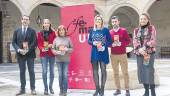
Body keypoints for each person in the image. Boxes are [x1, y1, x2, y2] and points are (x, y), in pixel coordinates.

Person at [12, 15, 37, 95]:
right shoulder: (17, 31)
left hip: (30, 54)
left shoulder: (32, 31)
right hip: (20, 54)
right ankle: (22, 89)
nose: (25, 21)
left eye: (27, 19)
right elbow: (13, 42)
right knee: (22, 72)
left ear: (29, 21)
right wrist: (19, 50)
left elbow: (34, 42)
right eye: (24, 19)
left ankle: (33, 89)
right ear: (21, 20)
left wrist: (27, 50)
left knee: (31, 71)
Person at [88, 15, 112, 96]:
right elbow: (89, 41)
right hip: (94, 52)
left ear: (102, 21)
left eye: (99, 19)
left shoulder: (105, 30)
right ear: (95, 21)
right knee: (95, 71)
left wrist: (104, 45)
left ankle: (102, 89)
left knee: (103, 70)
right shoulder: (92, 30)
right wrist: (93, 43)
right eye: (96, 19)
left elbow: (110, 41)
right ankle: (97, 89)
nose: (98, 20)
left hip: (103, 52)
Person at [133, 13, 157, 96]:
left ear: (148, 20)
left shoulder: (151, 28)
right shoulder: (136, 30)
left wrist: (144, 47)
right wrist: (139, 49)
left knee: (149, 72)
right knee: (142, 72)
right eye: (141, 19)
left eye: (144, 19)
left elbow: (153, 40)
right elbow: (135, 41)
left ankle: (153, 92)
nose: (142, 20)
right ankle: (146, 91)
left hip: (149, 53)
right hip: (139, 54)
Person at [110, 16, 131, 96]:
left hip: (122, 54)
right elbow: (107, 43)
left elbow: (128, 41)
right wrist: (112, 44)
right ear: (111, 23)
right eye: (113, 22)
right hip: (113, 55)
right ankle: (118, 89)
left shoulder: (123, 30)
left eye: (115, 21)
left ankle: (127, 89)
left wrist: (121, 44)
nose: (114, 23)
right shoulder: (110, 32)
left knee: (125, 72)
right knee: (115, 73)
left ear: (119, 22)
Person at [52, 25, 73, 96]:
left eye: (63, 30)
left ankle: (65, 91)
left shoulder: (68, 39)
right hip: (58, 60)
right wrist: (57, 52)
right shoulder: (56, 39)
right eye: (60, 30)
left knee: (65, 75)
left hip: (66, 60)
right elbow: (52, 49)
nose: (61, 31)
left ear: (65, 31)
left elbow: (72, 49)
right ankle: (61, 90)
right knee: (60, 75)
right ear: (58, 31)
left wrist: (67, 49)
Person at [37, 19, 56, 95]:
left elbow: (56, 41)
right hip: (43, 54)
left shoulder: (53, 33)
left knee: (52, 72)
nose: (46, 24)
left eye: (48, 23)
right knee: (44, 71)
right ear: (43, 24)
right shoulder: (39, 33)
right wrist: (42, 48)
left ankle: (50, 87)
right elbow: (38, 43)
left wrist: (52, 45)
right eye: (45, 23)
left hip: (51, 54)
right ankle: (45, 88)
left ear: (50, 24)